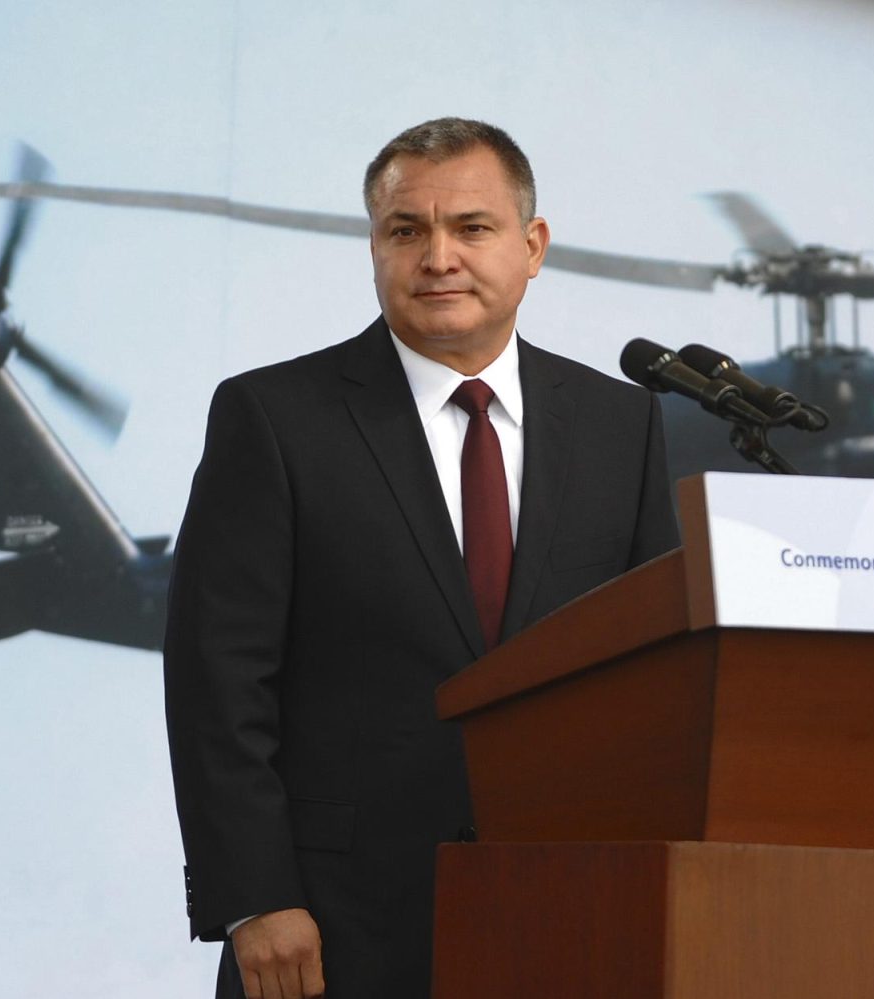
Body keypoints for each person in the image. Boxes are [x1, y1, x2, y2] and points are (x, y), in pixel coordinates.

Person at [163, 117, 681, 999]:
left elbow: (655, 676)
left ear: (532, 246)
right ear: (375, 247)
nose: (438, 256)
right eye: (407, 230)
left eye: (471, 228)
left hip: (572, 918)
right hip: (331, 931)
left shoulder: (618, 425)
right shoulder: (275, 418)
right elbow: (218, 676)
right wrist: (255, 898)